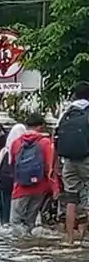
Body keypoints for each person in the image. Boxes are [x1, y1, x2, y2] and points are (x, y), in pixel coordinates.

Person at [9, 113, 57, 234]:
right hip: (40, 187)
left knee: (15, 223)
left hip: (20, 187)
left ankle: (18, 249)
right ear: (41, 126)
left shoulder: (16, 142)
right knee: (30, 222)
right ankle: (30, 248)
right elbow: (49, 168)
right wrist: (54, 188)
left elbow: (13, 164)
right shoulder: (46, 143)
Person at [56, 82, 89, 245]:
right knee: (86, 196)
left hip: (68, 160)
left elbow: (56, 137)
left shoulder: (66, 113)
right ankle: (83, 235)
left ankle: (69, 239)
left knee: (71, 198)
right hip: (86, 159)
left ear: (74, 95)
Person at [0, 123, 25, 226]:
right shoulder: (25, 149)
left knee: (4, 216)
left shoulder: (5, 151)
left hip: (4, 184)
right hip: (19, 186)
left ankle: (4, 227)